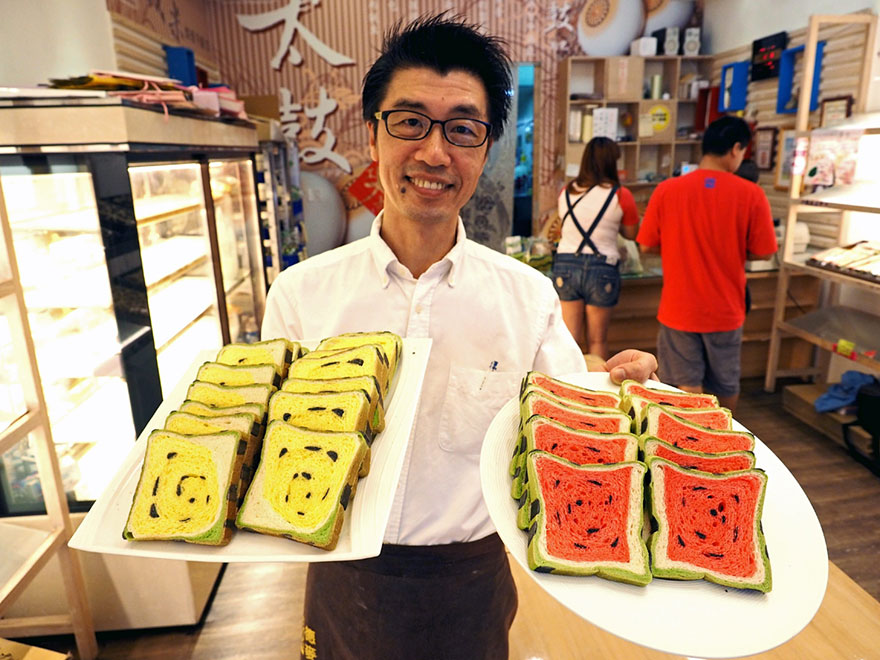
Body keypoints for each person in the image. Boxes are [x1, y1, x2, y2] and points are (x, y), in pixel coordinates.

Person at [261, 15, 658, 659]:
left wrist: (623, 392)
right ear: (373, 134)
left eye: (463, 129)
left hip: (470, 579)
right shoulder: (301, 294)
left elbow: (568, 413)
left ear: (486, 147)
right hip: (340, 571)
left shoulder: (527, 296)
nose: (434, 153)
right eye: (409, 121)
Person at [636, 117, 778, 413]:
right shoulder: (751, 194)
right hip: (725, 310)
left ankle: (684, 438)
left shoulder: (667, 190)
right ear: (735, 149)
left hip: (679, 309)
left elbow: (646, 246)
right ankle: (722, 436)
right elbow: (764, 252)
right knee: (724, 387)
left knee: (682, 386)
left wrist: (678, 247)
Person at [552, 136, 640, 358]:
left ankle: (568, 380)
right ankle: (597, 381)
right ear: (612, 162)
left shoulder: (566, 192)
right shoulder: (621, 194)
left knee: (569, 340)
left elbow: (566, 226)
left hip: (566, 264)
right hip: (602, 268)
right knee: (597, 339)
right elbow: (632, 234)